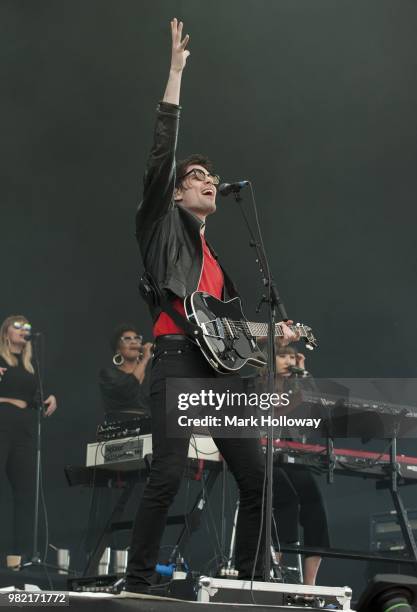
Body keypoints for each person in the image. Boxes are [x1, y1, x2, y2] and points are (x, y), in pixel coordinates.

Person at [124, 19, 297, 594]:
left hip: (217, 375)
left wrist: (277, 337)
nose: (205, 181)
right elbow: (160, 154)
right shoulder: (161, 225)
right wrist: (174, 75)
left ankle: (249, 582)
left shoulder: (217, 259)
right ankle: (141, 582)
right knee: (167, 476)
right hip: (174, 362)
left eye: (208, 176)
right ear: (175, 192)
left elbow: (223, 330)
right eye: (194, 177)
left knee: (257, 476)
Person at [272, 344, 330, 586]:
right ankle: (274, 573)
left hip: (292, 456)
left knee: (315, 504)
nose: (288, 361)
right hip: (265, 456)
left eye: (292, 357)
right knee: (287, 498)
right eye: (282, 356)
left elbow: (319, 410)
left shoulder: (296, 383)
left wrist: (304, 374)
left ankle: (310, 587)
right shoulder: (258, 383)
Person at [0, 315, 57, 560]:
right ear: (5, 332)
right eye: (18, 326)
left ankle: (20, 556)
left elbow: (36, 396)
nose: (24, 331)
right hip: (2, 422)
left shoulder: (30, 365)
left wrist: (49, 398)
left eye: (27, 327)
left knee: (25, 493)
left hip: (24, 428)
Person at [99, 323, 152, 420]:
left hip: (151, 429)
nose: (133, 342)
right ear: (118, 349)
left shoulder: (151, 375)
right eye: (127, 339)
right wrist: (144, 360)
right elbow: (128, 390)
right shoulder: (108, 375)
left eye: (137, 338)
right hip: (122, 430)